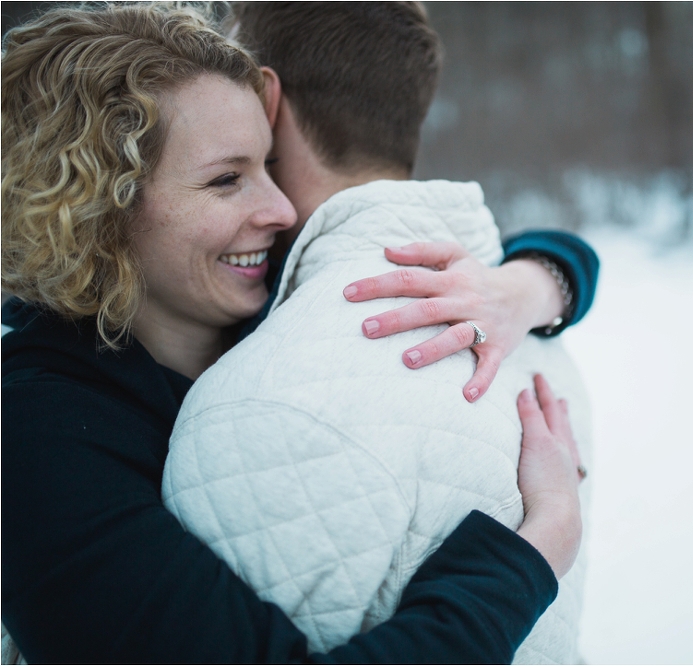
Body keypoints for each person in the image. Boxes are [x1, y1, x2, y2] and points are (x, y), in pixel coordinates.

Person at [0, 4, 589, 662]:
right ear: (93, 208)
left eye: (270, 164)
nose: (282, 211)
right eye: (228, 179)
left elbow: (541, 248)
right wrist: (534, 552)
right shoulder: (33, 436)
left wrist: (532, 285)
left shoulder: (257, 290)